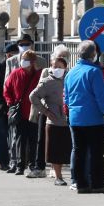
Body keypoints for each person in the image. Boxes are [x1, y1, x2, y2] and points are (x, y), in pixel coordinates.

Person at [64, 40, 104, 194]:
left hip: (75, 118)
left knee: (79, 152)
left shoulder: (71, 72)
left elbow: (66, 98)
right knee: (96, 152)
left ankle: (80, 184)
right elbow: (101, 97)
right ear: (93, 54)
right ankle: (97, 183)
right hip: (93, 119)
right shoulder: (94, 72)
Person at [29, 44, 70, 179]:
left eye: (65, 57)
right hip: (47, 111)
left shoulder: (68, 73)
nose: (62, 59)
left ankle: (56, 168)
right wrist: (46, 110)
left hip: (63, 115)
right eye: (60, 56)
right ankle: (40, 167)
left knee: (60, 141)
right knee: (42, 140)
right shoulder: (47, 72)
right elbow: (39, 91)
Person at [3, 50, 42, 175]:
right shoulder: (15, 73)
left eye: (26, 59)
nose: (23, 61)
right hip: (20, 111)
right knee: (20, 138)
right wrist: (10, 102)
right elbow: (6, 89)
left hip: (34, 112)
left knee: (33, 139)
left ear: (32, 62)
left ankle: (31, 164)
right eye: (23, 59)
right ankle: (20, 165)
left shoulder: (38, 75)